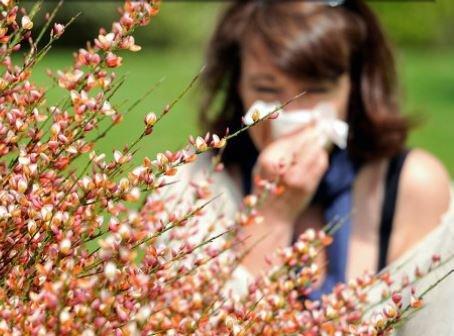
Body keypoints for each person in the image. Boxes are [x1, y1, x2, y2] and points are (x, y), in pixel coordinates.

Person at [184, 0, 452, 297]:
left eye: (317, 90)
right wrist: (271, 215)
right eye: (267, 90)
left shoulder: (410, 187)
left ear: (355, 86)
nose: (292, 112)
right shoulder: (198, 185)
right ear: (237, 87)